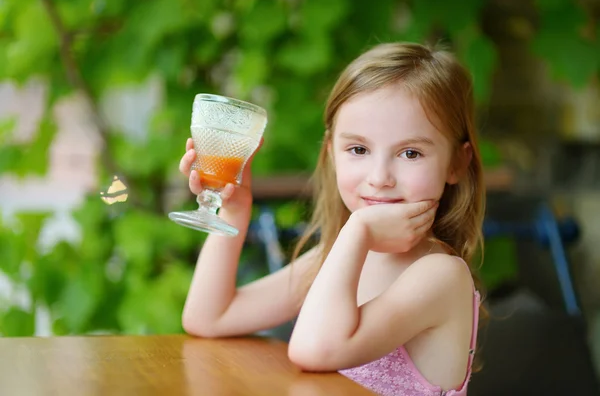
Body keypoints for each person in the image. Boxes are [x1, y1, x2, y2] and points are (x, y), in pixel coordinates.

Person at [178, 42, 485, 396]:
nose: (380, 176)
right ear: (331, 153)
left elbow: (314, 350)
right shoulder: (341, 255)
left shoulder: (441, 276)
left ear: (456, 164)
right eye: (358, 149)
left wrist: (358, 230)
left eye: (410, 153)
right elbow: (207, 317)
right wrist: (235, 209)